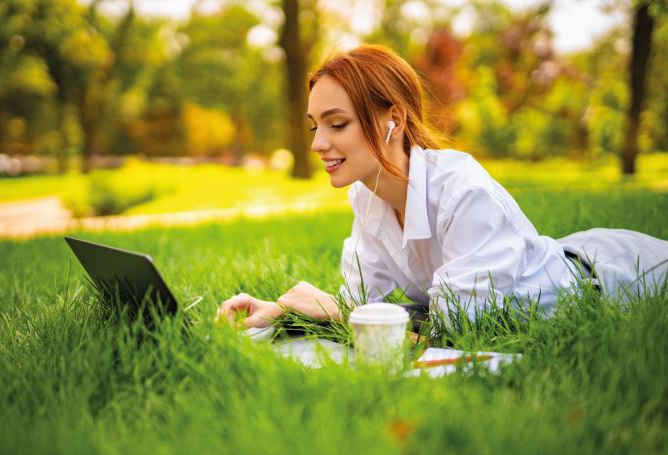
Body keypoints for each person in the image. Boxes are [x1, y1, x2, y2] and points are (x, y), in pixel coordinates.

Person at [217, 44, 668, 329]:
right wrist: (282, 309)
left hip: (616, 278)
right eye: (316, 125)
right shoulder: (366, 194)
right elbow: (358, 301)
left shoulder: (461, 193)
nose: (318, 143)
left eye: (337, 124)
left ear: (393, 119)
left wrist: (337, 314)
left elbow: (450, 331)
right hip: (568, 256)